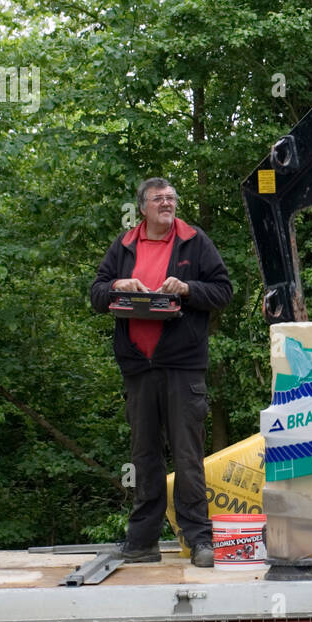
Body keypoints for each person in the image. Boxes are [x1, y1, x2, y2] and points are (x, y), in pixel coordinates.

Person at [90, 178, 233, 567]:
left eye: (171, 197)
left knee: (188, 456)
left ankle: (200, 539)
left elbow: (223, 291)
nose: (167, 203)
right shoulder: (124, 245)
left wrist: (186, 289)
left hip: (182, 366)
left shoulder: (194, 241)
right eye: (159, 199)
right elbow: (97, 293)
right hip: (138, 366)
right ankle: (141, 541)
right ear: (143, 208)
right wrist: (119, 283)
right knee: (143, 457)